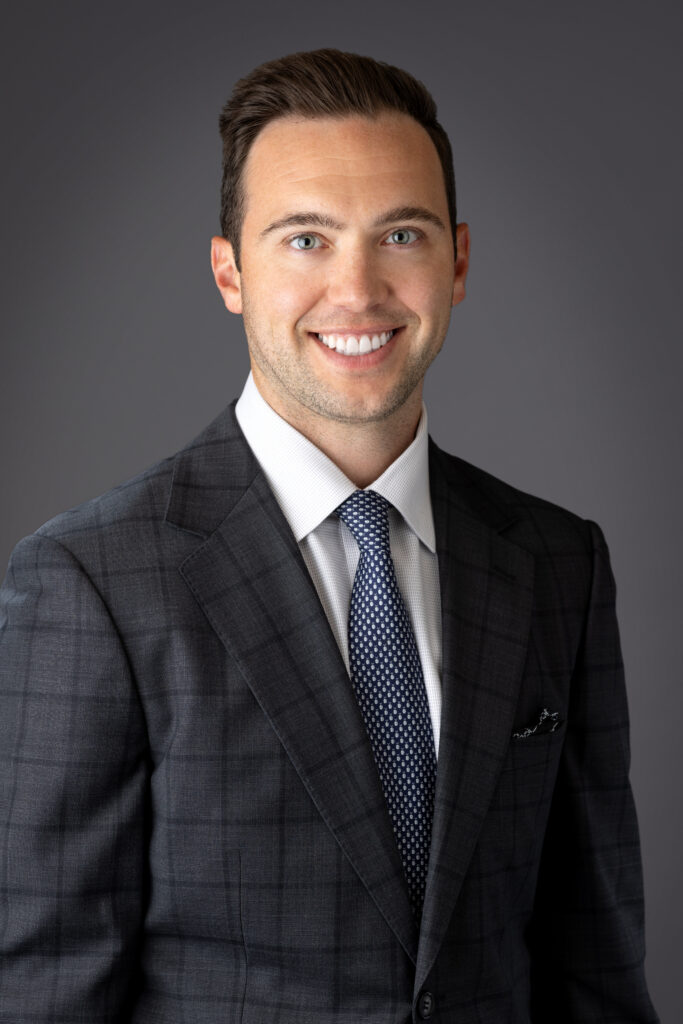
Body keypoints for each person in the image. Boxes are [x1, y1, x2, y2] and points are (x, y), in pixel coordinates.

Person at [0, 49, 658, 1023]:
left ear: (457, 262)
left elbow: (595, 972)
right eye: (304, 239)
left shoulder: (559, 564)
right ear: (229, 271)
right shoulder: (91, 582)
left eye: (400, 234)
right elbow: (44, 993)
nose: (357, 289)